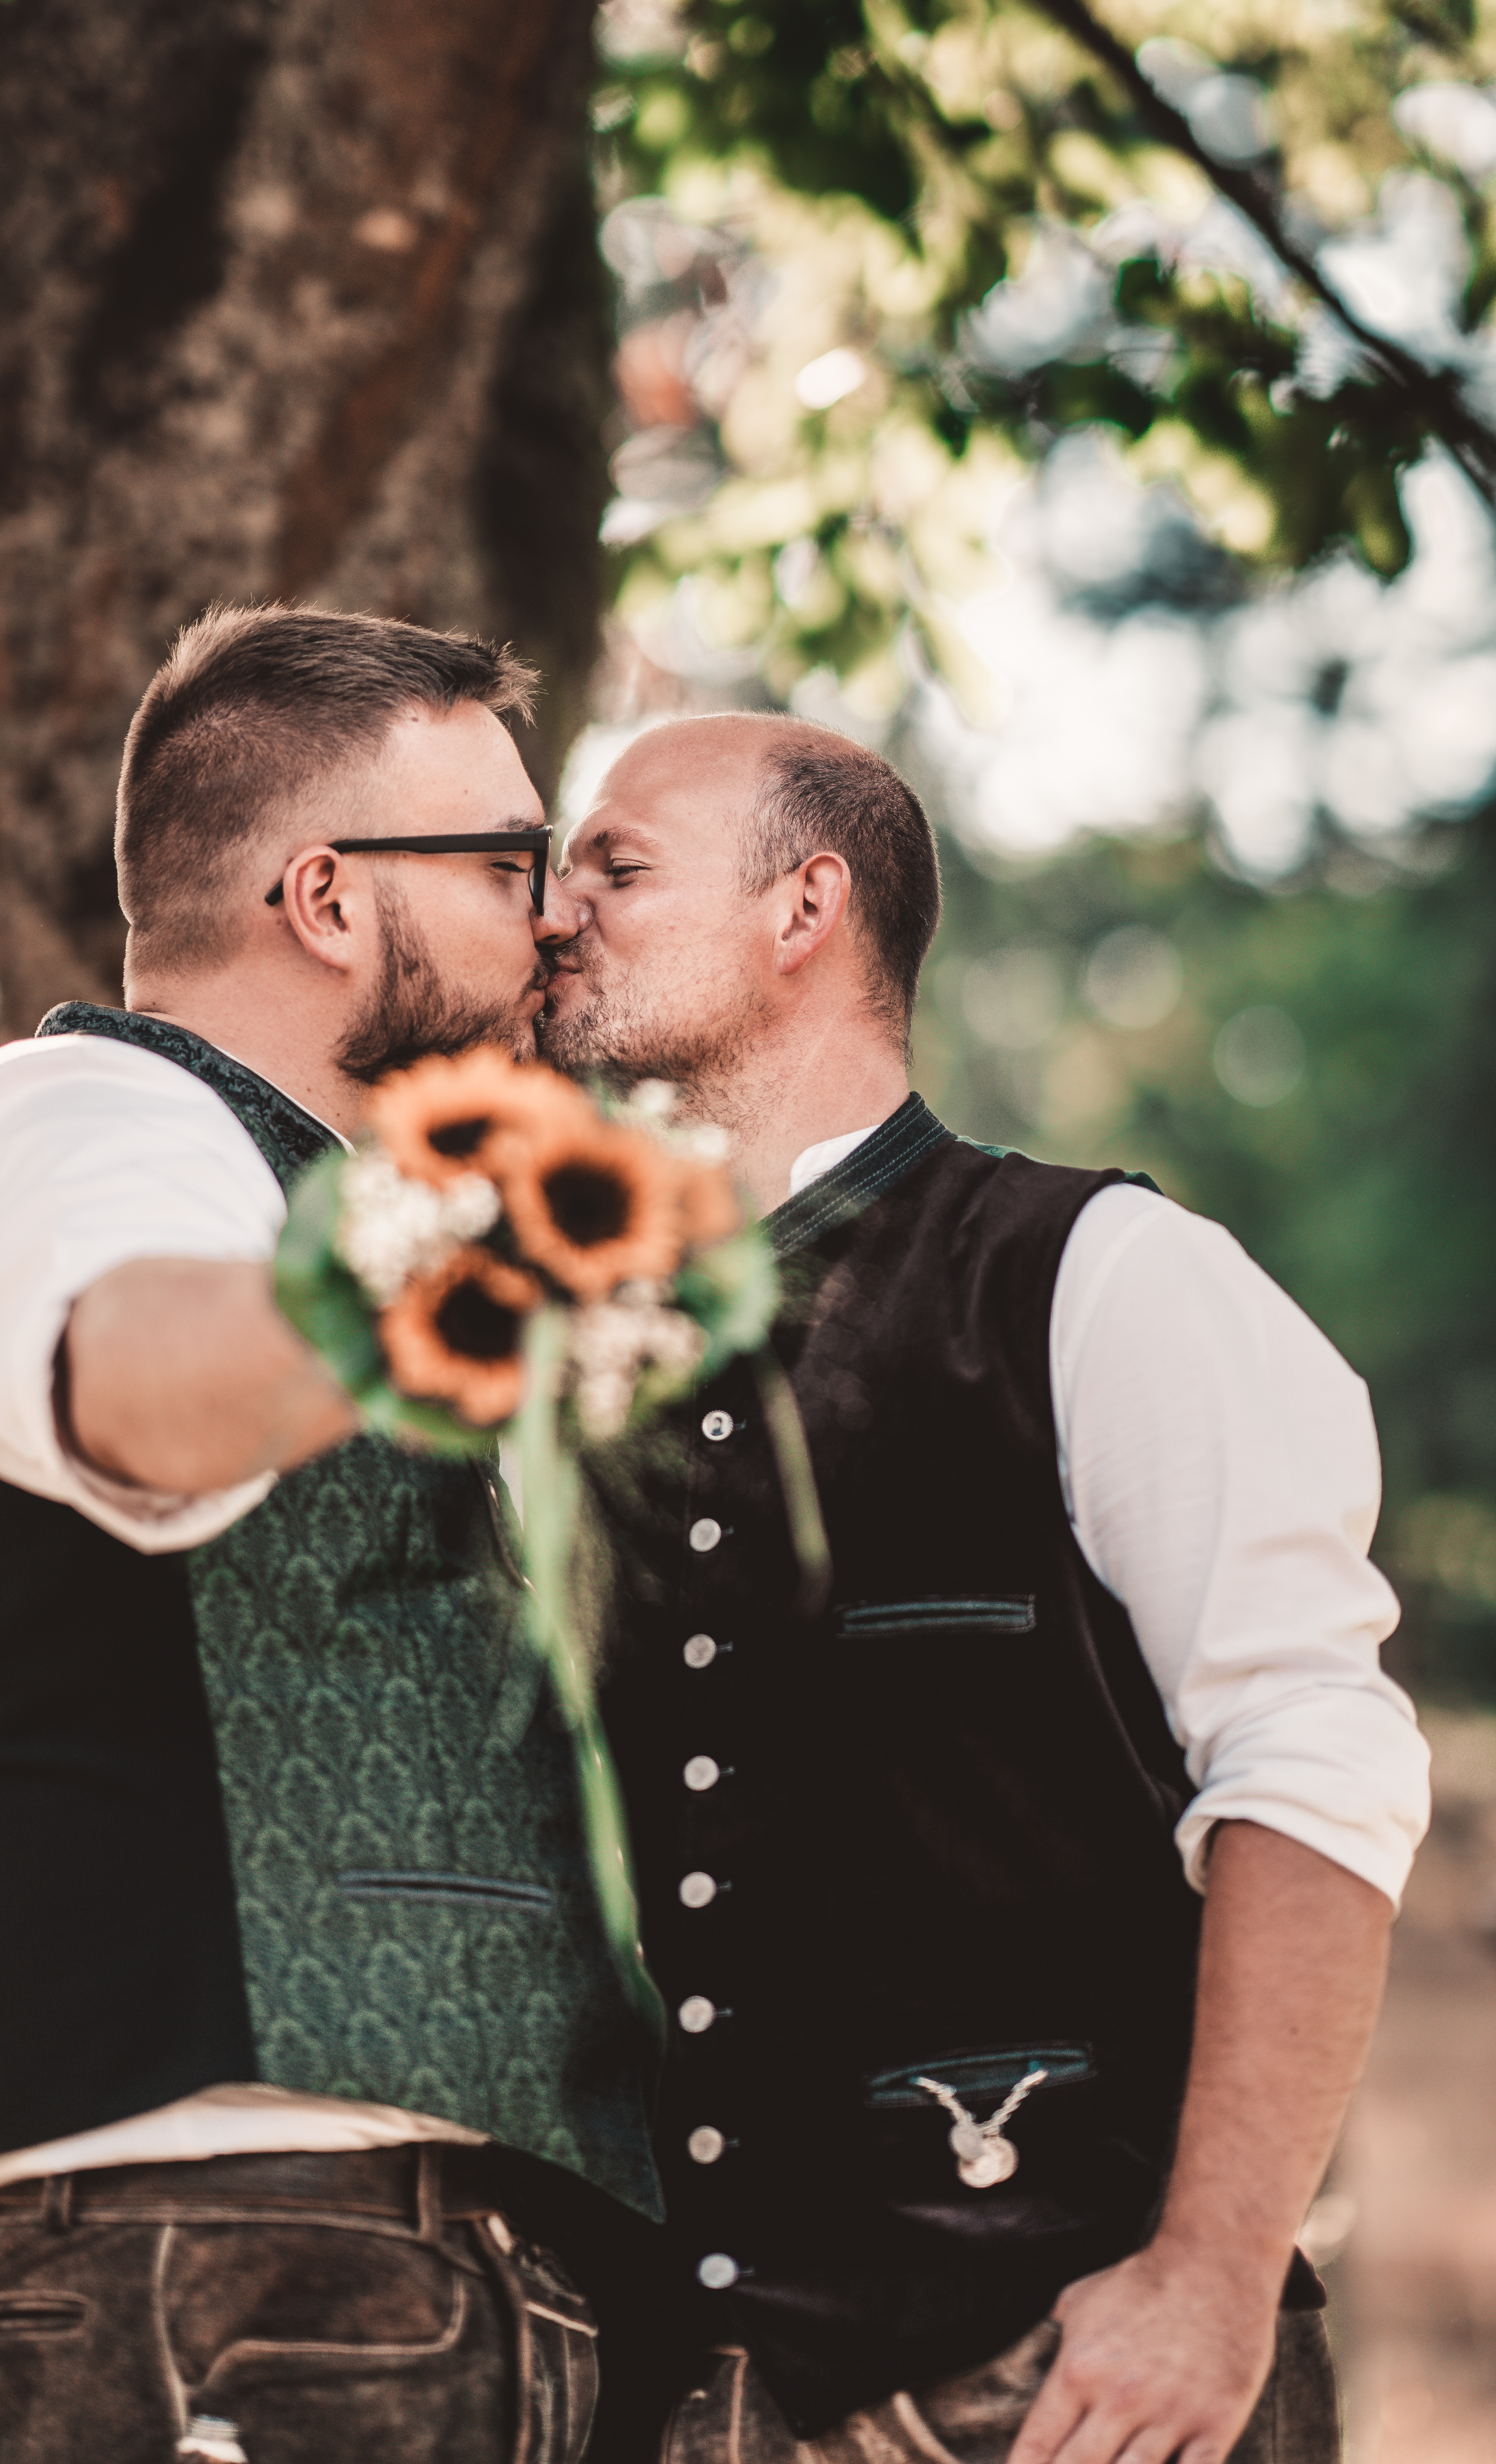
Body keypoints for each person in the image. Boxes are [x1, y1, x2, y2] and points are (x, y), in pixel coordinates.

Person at [0, 605, 659, 2464]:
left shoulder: (341, 1195)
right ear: (331, 898)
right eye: (513, 862)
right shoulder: (80, 1117)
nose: (556, 918)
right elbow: (134, 1372)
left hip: (412, 2264)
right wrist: (441, 1273)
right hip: (212, 2258)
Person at [534, 712, 1431, 2464]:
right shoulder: (569, 1376)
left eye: (616, 868)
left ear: (809, 907)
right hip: (691, 2391)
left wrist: (1216, 2276)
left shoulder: (1100, 1276)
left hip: (1080, 2377)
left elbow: (1314, 1770)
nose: (555, 914)